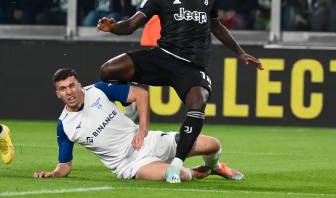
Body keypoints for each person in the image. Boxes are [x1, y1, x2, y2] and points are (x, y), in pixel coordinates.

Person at [96, 0, 263, 184]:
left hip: (192, 67)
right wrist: (113, 28)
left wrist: (240, 52)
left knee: (198, 103)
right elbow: (132, 24)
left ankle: (177, 163)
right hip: (163, 57)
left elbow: (216, 25)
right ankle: (131, 108)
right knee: (108, 70)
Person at [34, 68, 242, 181]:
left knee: (212, 144)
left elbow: (141, 94)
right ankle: (195, 172)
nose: (69, 92)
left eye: (72, 85)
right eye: (63, 89)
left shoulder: (98, 90)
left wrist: (143, 129)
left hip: (149, 141)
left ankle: (214, 166)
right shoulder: (65, 126)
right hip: (130, 165)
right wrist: (53, 173)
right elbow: (65, 166)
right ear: (58, 94)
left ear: (79, 84)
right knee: (177, 175)